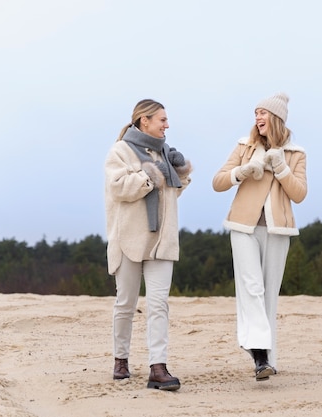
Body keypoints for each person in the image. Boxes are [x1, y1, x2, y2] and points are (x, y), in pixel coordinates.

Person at [212, 92, 307, 381]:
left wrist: (280, 167)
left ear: (276, 118)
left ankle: (267, 358)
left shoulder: (296, 153)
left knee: (268, 295)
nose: (257, 118)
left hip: (278, 230)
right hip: (243, 227)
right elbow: (218, 182)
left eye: (262, 113)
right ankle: (260, 356)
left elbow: (299, 194)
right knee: (251, 288)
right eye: (255, 113)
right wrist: (242, 171)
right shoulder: (245, 145)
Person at [104, 99, 192, 391]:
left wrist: (179, 173)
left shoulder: (165, 153)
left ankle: (158, 367)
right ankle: (121, 360)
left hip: (161, 240)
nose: (167, 125)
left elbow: (169, 198)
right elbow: (119, 188)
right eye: (162, 119)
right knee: (126, 304)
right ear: (144, 120)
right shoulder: (120, 151)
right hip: (129, 239)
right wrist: (151, 174)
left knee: (158, 305)